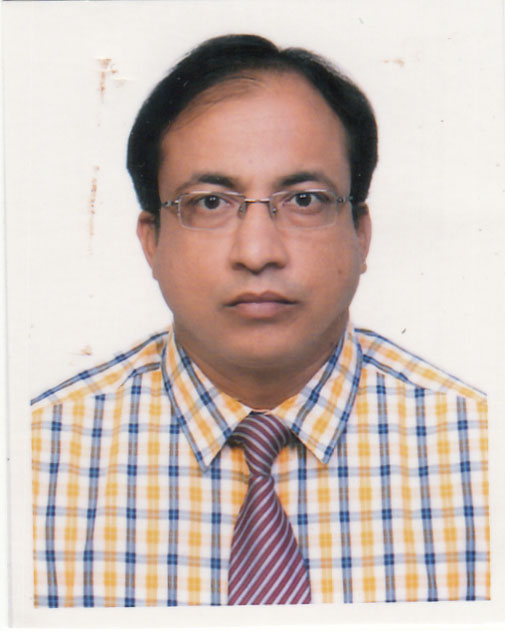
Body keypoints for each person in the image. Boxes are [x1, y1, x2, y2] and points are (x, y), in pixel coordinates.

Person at [31, 34, 489, 607]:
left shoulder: (479, 453)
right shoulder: (36, 461)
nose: (257, 252)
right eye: (209, 202)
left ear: (361, 234)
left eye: (304, 201)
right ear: (151, 241)